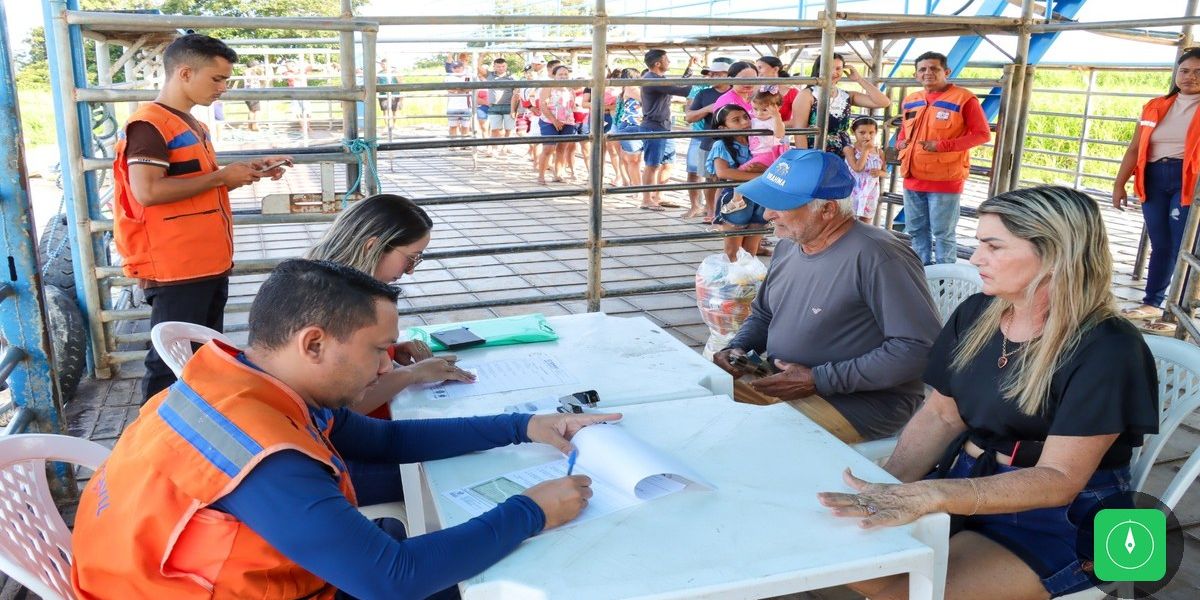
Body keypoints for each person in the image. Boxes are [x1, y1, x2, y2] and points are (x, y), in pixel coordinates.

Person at [70, 259, 620, 599]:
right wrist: (532, 510)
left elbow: (382, 441)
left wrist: (525, 425)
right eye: (377, 350)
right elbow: (390, 581)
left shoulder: (238, 380)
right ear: (313, 343)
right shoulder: (267, 457)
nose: (387, 367)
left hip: (171, 570)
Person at [818, 186, 1159, 600]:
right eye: (979, 244)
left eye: (993, 246)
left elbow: (1059, 480)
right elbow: (941, 416)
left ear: (1054, 254)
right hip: (965, 478)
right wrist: (888, 486)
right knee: (837, 559)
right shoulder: (978, 313)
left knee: (901, 594)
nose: (975, 258)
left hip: (1069, 517)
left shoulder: (1109, 347)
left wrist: (930, 495)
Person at [714, 150, 941, 443]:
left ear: (827, 209)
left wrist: (819, 379)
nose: (768, 214)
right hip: (788, 381)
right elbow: (764, 314)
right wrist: (737, 348)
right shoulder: (791, 244)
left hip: (860, 404)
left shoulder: (879, 255)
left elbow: (918, 349)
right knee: (704, 406)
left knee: (749, 440)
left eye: (781, 205)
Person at [112, 34, 290, 403]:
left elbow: (194, 187)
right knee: (168, 362)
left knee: (204, 356)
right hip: (176, 267)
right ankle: (154, 443)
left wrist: (243, 173)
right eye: (217, 79)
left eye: (226, 80)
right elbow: (148, 192)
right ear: (185, 73)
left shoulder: (192, 124)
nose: (223, 88)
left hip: (205, 263)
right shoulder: (149, 126)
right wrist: (222, 177)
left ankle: (196, 430)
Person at [1113, 48, 1200, 332]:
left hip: (1187, 180)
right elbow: (1135, 148)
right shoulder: (1155, 106)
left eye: (1199, 72)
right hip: (1153, 177)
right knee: (1161, 243)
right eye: (1185, 70)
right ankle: (1152, 302)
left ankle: (1178, 312)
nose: (1190, 77)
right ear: (1176, 74)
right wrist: (1119, 183)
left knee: (1182, 246)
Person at [897, 51, 991, 265]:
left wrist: (942, 146)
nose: (928, 73)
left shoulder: (963, 98)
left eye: (934, 69)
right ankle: (921, 274)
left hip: (944, 179)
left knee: (943, 233)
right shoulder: (911, 100)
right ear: (916, 75)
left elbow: (982, 134)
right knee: (915, 230)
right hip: (912, 176)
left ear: (946, 72)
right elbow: (905, 130)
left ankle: (945, 280)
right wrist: (901, 142)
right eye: (922, 69)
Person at [790, 53, 891, 153]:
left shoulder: (847, 96)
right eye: (829, 68)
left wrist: (859, 79)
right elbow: (800, 132)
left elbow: (883, 102)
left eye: (838, 68)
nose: (834, 72)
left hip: (845, 155)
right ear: (819, 69)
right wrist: (805, 159)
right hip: (816, 153)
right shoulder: (807, 95)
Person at [637, 49, 697, 210]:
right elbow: (683, 90)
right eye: (667, 59)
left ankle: (658, 196)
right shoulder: (652, 80)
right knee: (652, 164)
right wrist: (704, 82)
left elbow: (678, 86)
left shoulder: (659, 79)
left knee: (668, 163)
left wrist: (689, 69)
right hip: (653, 127)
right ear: (658, 63)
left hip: (664, 126)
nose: (669, 62)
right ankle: (646, 199)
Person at [707, 105, 768, 260]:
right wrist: (761, 175)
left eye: (746, 117)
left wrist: (763, 170)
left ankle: (747, 281)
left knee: (750, 251)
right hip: (736, 200)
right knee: (733, 251)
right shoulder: (721, 145)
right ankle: (733, 281)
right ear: (723, 128)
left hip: (760, 198)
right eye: (736, 120)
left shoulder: (759, 141)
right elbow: (723, 172)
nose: (744, 122)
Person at [684, 57, 733, 220]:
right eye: (711, 74)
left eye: (717, 74)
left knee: (729, 178)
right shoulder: (703, 93)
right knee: (710, 178)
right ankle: (712, 212)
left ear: (728, 75)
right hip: (709, 141)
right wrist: (708, 109)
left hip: (733, 143)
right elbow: (689, 117)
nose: (712, 77)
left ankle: (726, 212)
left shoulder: (736, 92)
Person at [536, 64, 579, 184]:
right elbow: (543, 105)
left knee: (562, 148)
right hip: (549, 120)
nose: (563, 76)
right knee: (548, 147)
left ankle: (558, 174)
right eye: (560, 74)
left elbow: (572, 105)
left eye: (565, 74)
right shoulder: (548, 87)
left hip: (568, 121)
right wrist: (554, 121)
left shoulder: (570, 89)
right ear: (554, 75)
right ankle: (541, 175)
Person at [844, 117, 887, 223]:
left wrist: (880, 172)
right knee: (848, 222)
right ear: (854, 132)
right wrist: (865, 150)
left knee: (866, 222)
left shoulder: (879, 152)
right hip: (852, 191)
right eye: (862, 132)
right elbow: (858, 168)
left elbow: (886, 173)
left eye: (871, 132)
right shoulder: (849, 149)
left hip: (870, 192)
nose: (867, 136)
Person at [479, 57, 517, 157]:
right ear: (494, 67)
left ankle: (505, 146)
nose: (501, 68)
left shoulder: (512, 77)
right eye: (498, 66)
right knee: (494, 129)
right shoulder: (490, 75)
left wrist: (514, 109)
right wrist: (481, 55)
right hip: (494, 106)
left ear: (506, 66)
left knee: (508, 129)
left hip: (509, 106)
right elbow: (478, 67)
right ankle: (493, 148)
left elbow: (516, 93)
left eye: (503, 66)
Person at [614, 68, 645, 188]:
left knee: (635, 160)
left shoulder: (629, 89)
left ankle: (636, 185)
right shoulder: (631, 88)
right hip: (631, 125)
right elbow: (646, 99)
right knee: (634, 160)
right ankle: (637, 186)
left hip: (638, 125)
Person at [745, 90, 788, 170]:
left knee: (743, 170)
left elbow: (779, 134)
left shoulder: (774, 121)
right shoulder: (754, 120)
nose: (759, 113)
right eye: (755, 109)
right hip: (755, 154)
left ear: (778, 108)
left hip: (768, 154)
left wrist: (776, 116)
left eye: (764, 110)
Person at [755, 55, 798, 122]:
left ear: (775, 69)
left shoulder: (792, 92)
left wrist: (771, 126)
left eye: (760, 67)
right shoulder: (755, 88)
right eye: (756, 68)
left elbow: (797, 121)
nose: (757, 71)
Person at [444, 61, 472, 143]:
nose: (457, 69)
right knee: (453, 126)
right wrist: (461, 90)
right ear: (452, 69)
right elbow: (449, 89)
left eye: (459, 67)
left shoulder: (467, 76)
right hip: (453, 106)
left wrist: (457, 90)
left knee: (465, 126)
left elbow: (469, 87)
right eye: (455, 68)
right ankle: (453, 144)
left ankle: (464, 144)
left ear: (463, 68)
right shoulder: (449, 77)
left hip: (466, 106)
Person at [376, 58, 402, 134]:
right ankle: (386, 126)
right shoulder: (379, 73)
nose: (383, 65)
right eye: (382, 64)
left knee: (394, 110)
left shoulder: (395, 72)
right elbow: (375, 82)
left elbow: (400, 83)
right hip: (383, 94)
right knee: (385, 110)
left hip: (394, 94)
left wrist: (402, 97)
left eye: (384, 64)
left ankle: (394, 125)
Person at [241, 59, 267, 132]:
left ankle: (250, 126)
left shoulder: (246, 71)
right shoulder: (253, 71)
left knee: (251, 110)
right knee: (257, 110)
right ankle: (255, 126)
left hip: (247, 92)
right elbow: (263, 81)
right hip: (253, 92)